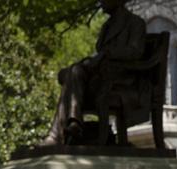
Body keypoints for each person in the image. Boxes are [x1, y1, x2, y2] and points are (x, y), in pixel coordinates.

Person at [41, 0, 146, 145]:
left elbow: (135, 52)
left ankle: (58, 134)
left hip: (121, 81)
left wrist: (107, 54)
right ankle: (71, 124)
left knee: (74, 73)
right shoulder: (106, 26)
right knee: (73, 72)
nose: (101, 2)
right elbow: (99, 52)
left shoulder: (135, 23)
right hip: (101, 77)